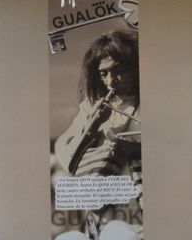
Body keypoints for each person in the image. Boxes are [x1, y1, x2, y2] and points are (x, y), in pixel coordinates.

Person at [54, 30, 141, 176]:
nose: (110, 81)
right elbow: (64, 154)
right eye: (103, 74)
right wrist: (91, 126)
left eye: (118, 71)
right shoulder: (90, 107)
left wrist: (136, 148)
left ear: (133, 69)